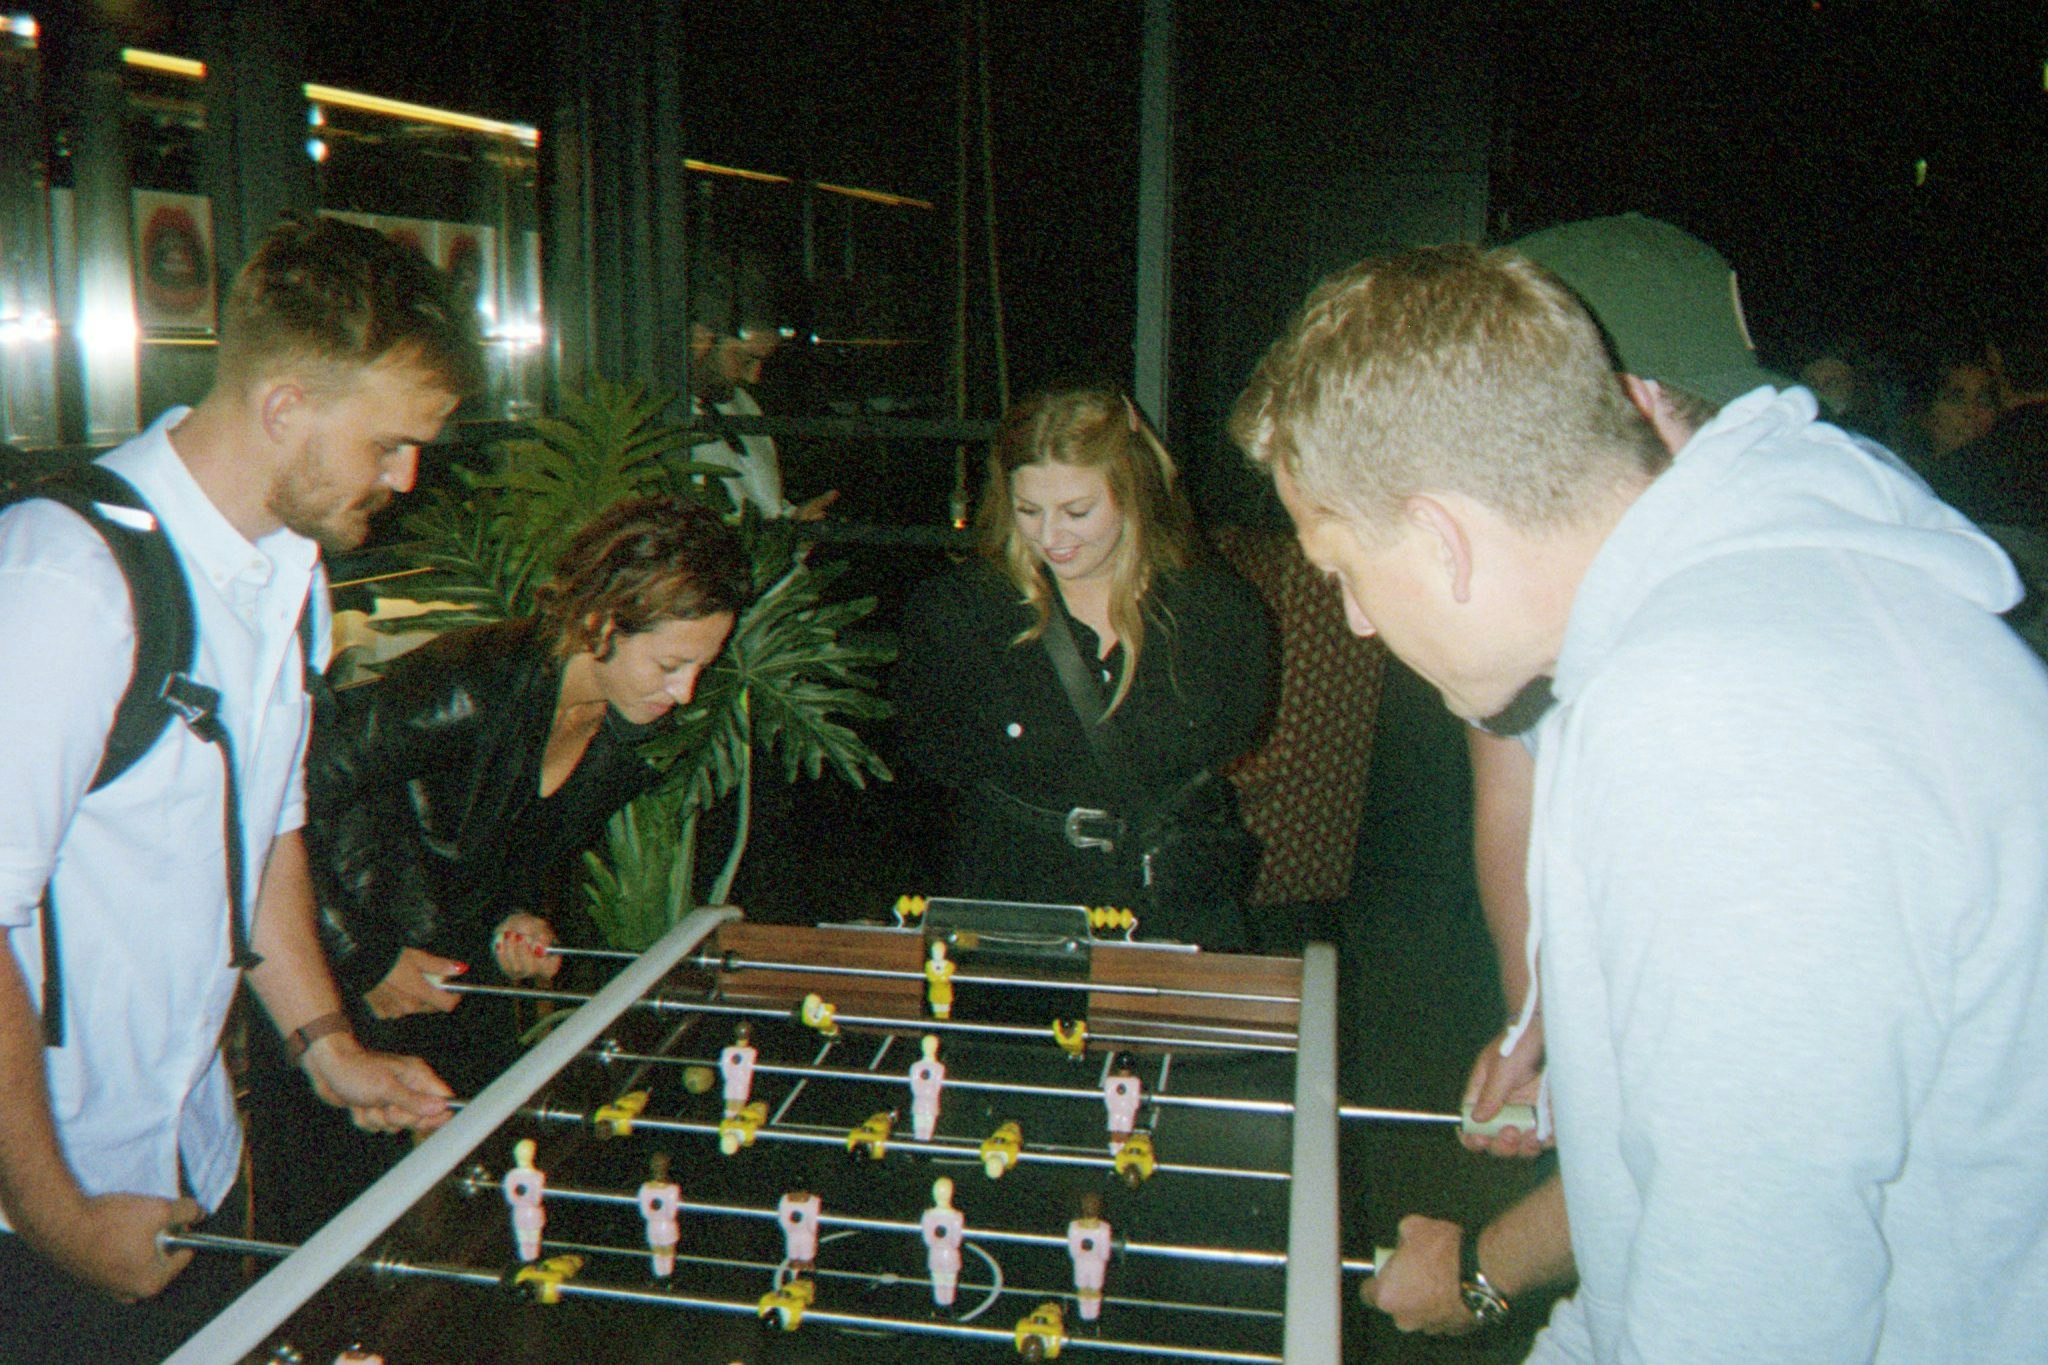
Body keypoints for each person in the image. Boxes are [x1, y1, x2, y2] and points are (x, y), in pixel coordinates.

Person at [1233, 240, 2048, 1360]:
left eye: (1340, 570)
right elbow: (1678, 1226)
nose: (1359, 622)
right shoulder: (1733, 624)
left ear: (1438, 537)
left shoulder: (1721, 710)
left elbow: (1749, 1302)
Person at [0, 215, 475, 1362]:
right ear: (284, 410)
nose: (406, 480)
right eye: (390, 445)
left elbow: (263, 835)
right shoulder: (62, 583)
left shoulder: (286, 572)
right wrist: (55, 1215)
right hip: (38, 1206)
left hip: (186, 1162)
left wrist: (324, 1042)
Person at [306, 494, 750, 1091]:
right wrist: (366, 960)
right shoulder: (468, 685)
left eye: (701, 667)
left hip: (451, 982)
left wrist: (511, 917)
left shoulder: (626, 728)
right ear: (601, 624)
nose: (686, 691)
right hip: (332, 973)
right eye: (671, 663)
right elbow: (283, 804)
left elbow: (491, 839)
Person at [894, 387, 1272, 947]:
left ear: (1135, 496)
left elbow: (1238, 733)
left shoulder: (1217, 611)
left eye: (1077, 511)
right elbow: (933, 754)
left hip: (1169, 897)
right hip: (1015, 899)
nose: (1051, 537)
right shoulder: (959, 612)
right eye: (1028, 511)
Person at [686, 272, 837, 522]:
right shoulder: (668, 420)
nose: (754, 377)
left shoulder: (743, 405)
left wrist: (795, 522)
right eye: (745, 360)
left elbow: (765, 505)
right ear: (701, 341)